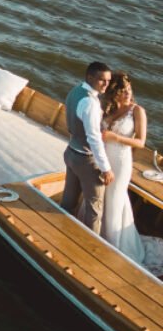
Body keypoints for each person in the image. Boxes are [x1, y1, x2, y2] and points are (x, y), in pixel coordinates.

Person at [60, 61, 114, 232]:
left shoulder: (75, 91)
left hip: (71, 153)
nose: (106, 84)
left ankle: (60, 229)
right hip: (85, 159)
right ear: (90, 77)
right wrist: (105, 168)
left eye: (108, 80)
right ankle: (92, 245)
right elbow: (94, 138)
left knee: (68, 200)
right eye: (102, 80)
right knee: (94, 208)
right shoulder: (90, 102)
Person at [101, 73, 146, 263]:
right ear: (114, 92)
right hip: (103, 158)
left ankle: (113, 245)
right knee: (100, 196)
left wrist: (116, 138)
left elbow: (141, 142)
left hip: (120, 161)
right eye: (123, 91)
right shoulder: (107, 108)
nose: (128, 94)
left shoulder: (137, 110)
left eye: (129, 89)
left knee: (115, 198)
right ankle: (95, 233)